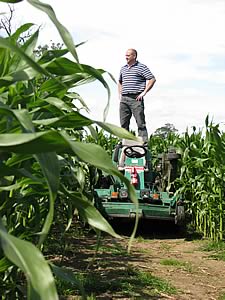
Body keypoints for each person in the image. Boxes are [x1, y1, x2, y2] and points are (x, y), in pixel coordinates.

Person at [118, 49, 156, 144]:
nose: (126, 57)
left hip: (136, 98)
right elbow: (119, 81)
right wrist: (120, 94)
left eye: (128, 55)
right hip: (124, 99)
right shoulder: (123, 68)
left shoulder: (141, 67)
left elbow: (152, 79)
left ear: (134, 56)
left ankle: (143, 143)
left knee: (140, 122)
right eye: (125, 55)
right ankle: (123, 142)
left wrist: (144, 92)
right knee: (123, 123)